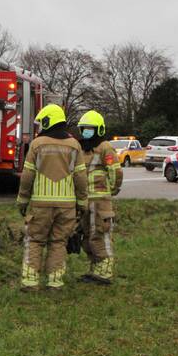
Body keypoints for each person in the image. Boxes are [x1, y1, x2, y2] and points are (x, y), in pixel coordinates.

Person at [15, 104, 87, 290]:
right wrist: (82, 203)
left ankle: (30, 283)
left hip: (41, 205)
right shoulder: (74, 145)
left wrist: (22, 200)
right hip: (67, 207)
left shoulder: (37, 144)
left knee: (35, 240)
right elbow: (80, 177)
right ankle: (55, 283)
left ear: (48, 121)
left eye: (41, 123)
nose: (39, 127)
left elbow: (28, 176)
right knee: (58, 243)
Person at [75, 110, 123, 284]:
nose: (86, 131)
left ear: (99, 129)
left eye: (90, 128)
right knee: (87, 236)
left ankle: (105, 272)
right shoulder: (82, 149)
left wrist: (113, 189)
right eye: (84, 128)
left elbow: (115, 171)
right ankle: (95, 269)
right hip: (85, 201)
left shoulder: (105, 148)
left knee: (100, 235)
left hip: (100, 201)